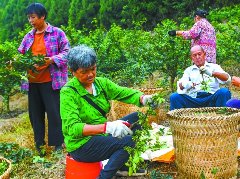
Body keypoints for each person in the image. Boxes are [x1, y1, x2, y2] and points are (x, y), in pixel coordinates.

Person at [60, 45, 155, 179]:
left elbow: (123, 92)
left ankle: (120, 166)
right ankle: (104, 176)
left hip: (100, 135)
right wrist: (107, 127)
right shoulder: (68, 92)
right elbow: (73, 128)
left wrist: (142, 98)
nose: (91, 74)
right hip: (81, 144)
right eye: (84, 72)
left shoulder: (101, 84)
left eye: (93, 69)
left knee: (138, 117)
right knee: (129, 141)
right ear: (73, 72)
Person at [18, 3, 70, 155]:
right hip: (33, 83)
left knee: (54, 113)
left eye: (33, 17)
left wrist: (51, 60)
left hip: (51, 81)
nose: (30, 20)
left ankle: (58, 145)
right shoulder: (28, 36)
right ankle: (39, 145)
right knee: (35, 115)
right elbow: (20, 55)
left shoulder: (57, 33)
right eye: (29, 18)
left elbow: (67, 52)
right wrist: (13, 62)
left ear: (43, 16)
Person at [170, 45, 231, 110]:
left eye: (199, 54)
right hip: (194, 100)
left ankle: (222, 118)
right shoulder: (189, 70)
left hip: (211, 99)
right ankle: (180, 119)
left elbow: (228, 79)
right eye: (194, 55)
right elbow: (181, 86)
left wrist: (212, 73)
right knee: (174, 97)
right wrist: (187, 84)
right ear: (192, 58)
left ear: (204, 54)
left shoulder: (214, 67)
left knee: (224, 92)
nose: (197, 57)